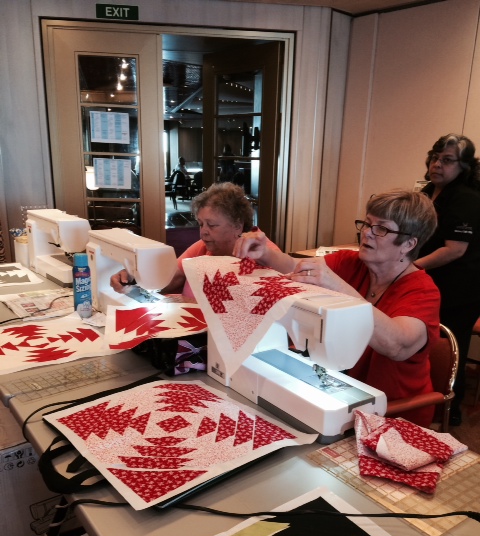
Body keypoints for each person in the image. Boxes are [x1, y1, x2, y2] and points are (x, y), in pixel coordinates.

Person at [234, 189, 441, 428]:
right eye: (367, 223)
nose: (367, 233)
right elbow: (297, 267)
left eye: (381, 228)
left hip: (395, 414)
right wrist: (266, 254)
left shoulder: (423, 291)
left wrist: (337, 286)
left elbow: (397, 345)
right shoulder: (352, 263)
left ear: (408, 243)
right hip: (348, 398)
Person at [110, 181, 279, 300]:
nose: (203, 232)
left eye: (211, 225)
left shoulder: (264, 254)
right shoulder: (204, 248)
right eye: (200, 224)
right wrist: (135, 279)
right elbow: (170, 277)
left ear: (238, 225)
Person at [415, 134, 480, 426]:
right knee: (429, 342)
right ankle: (426, 398)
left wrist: (412, 267)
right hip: (432, 281)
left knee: (451, 347)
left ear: (464, 167)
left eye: (447, 160)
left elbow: (455, 249)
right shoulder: (427, 191)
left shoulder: (467, 198)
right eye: (435, 157)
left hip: (460, 287)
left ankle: (449, 409)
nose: (437, 164)